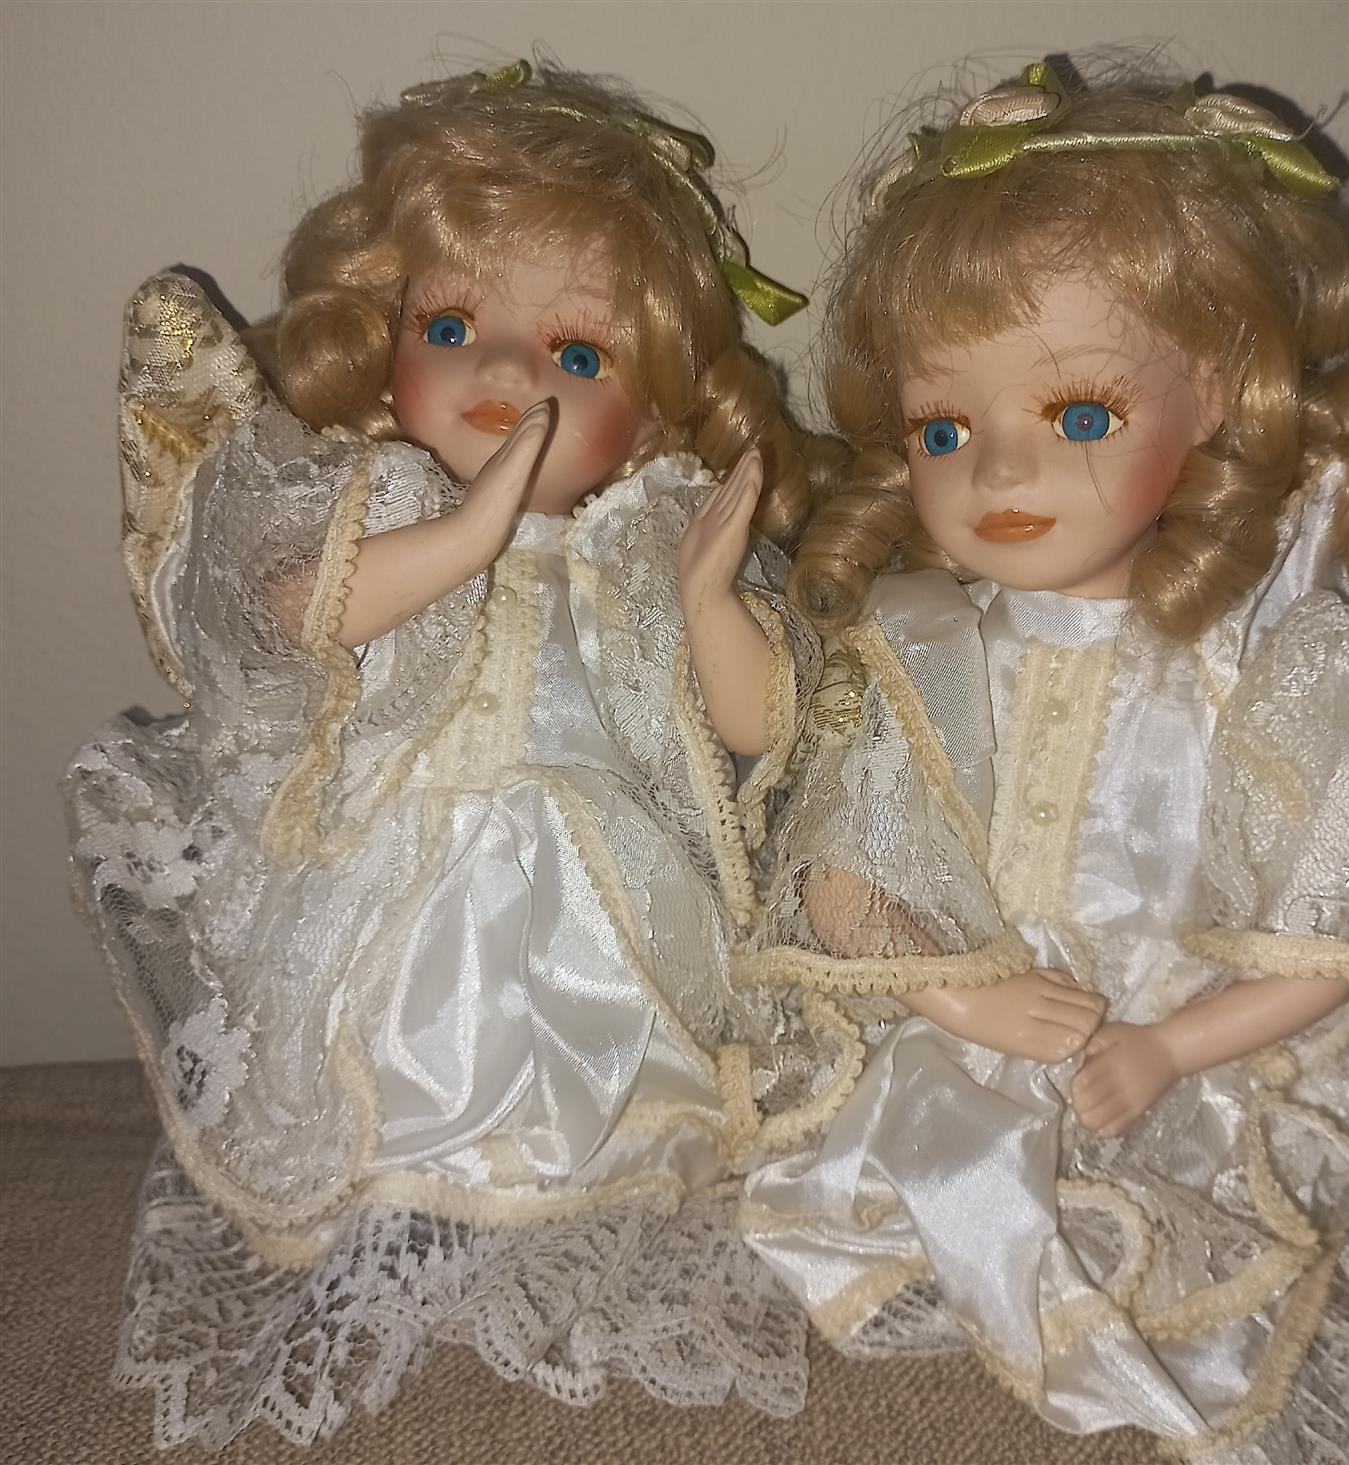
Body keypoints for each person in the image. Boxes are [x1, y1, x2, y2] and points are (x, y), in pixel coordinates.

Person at [734, 62, 1349, 1462]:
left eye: (1081, 416)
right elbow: (846, 881)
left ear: (1213, 394)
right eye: (943, 430)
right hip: (973, 1033)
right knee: (872, 1149)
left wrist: (1170, 1044)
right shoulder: (926, 643)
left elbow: (1341, 932)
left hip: (1197, 1044)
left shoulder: (1274, 663)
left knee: (1220, 1213)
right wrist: (965, 997)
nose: (999, 476)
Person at [64, 61, 820, 1446]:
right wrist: (467, 539)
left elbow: (763, 729)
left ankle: (574, 1158)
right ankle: (414, 1163)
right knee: (403, 976)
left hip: (604, 860)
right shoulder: (374, 497)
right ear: (382, 335)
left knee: (606, 986)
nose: (508, 375)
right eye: (455, 325)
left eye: (578, 356)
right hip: (405, 844)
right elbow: (296, 613)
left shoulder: (647, 533)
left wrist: (713, 600)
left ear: (653, 413)